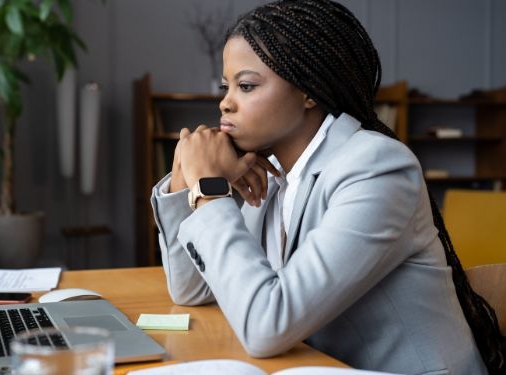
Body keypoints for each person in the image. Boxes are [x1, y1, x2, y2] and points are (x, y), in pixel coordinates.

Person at [149, 1, 505, 374]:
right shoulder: (270, 175)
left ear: (309, 90)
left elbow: (267, 325)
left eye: (246, 85)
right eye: (227, 86)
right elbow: (193, 291)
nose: (225, 102)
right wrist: (183, 173)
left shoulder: (376, 168)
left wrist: (209, 191)